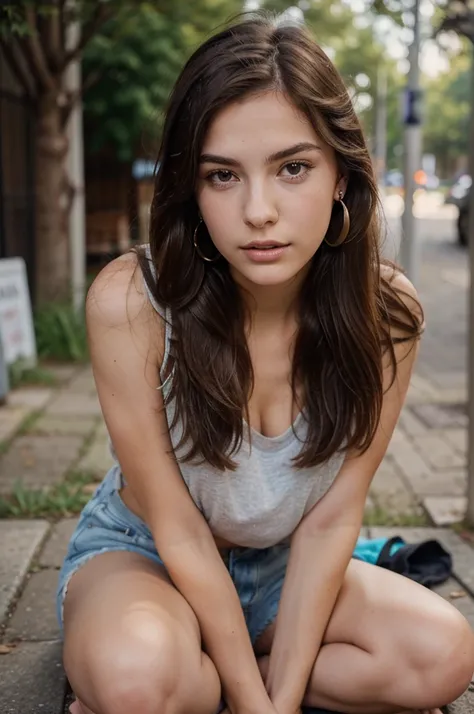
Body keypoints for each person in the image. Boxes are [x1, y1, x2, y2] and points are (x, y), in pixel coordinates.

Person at [57, 13, 474, 714]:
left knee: (442, 655)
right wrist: (258, 704)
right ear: (192, 187)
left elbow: (330, 521)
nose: (259, 211)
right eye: (223, 175)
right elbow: (180, 526)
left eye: (293, 168)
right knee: (137, 677)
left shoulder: (389, 316)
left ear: (341, 173)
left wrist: (274, 701)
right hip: (151, 554)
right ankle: (170, 669)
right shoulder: (133, 302)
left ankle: (205, 676)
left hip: (286, 567)